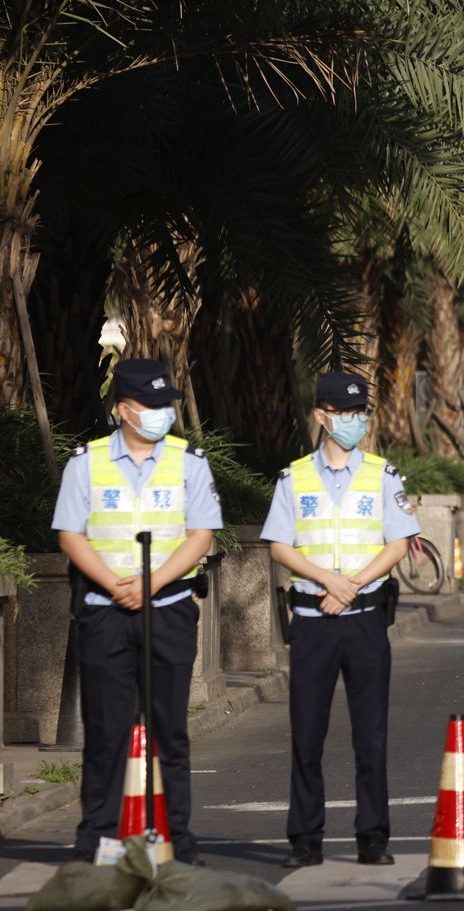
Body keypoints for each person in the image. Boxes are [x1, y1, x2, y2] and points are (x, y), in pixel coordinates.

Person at [53, 358, 221, 864]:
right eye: (148, 405)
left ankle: (176, 837)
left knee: (170, 729)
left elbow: (202, 535)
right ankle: (98, 838)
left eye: (164, 405)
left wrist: (151, 584)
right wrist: (114, 584)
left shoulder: (189, 462)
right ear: (123, 409)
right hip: (105, 611)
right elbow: (69, 534)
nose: (160, 414)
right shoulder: (85, 463)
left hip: (168, 609)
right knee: (105, 730)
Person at [265, 372, 420, 868]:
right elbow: (279, 546)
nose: (355, 422)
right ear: (321, 416)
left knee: (370, 735)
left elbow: (396, 543)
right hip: (313, 618)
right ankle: (304, 840)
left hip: (366, 618)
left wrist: (349, 584)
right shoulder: (294, 478)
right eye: (345, 413)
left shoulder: (384, 475)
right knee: (307, 734)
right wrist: (328, 582)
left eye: (360, 413)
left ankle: (373, 837)